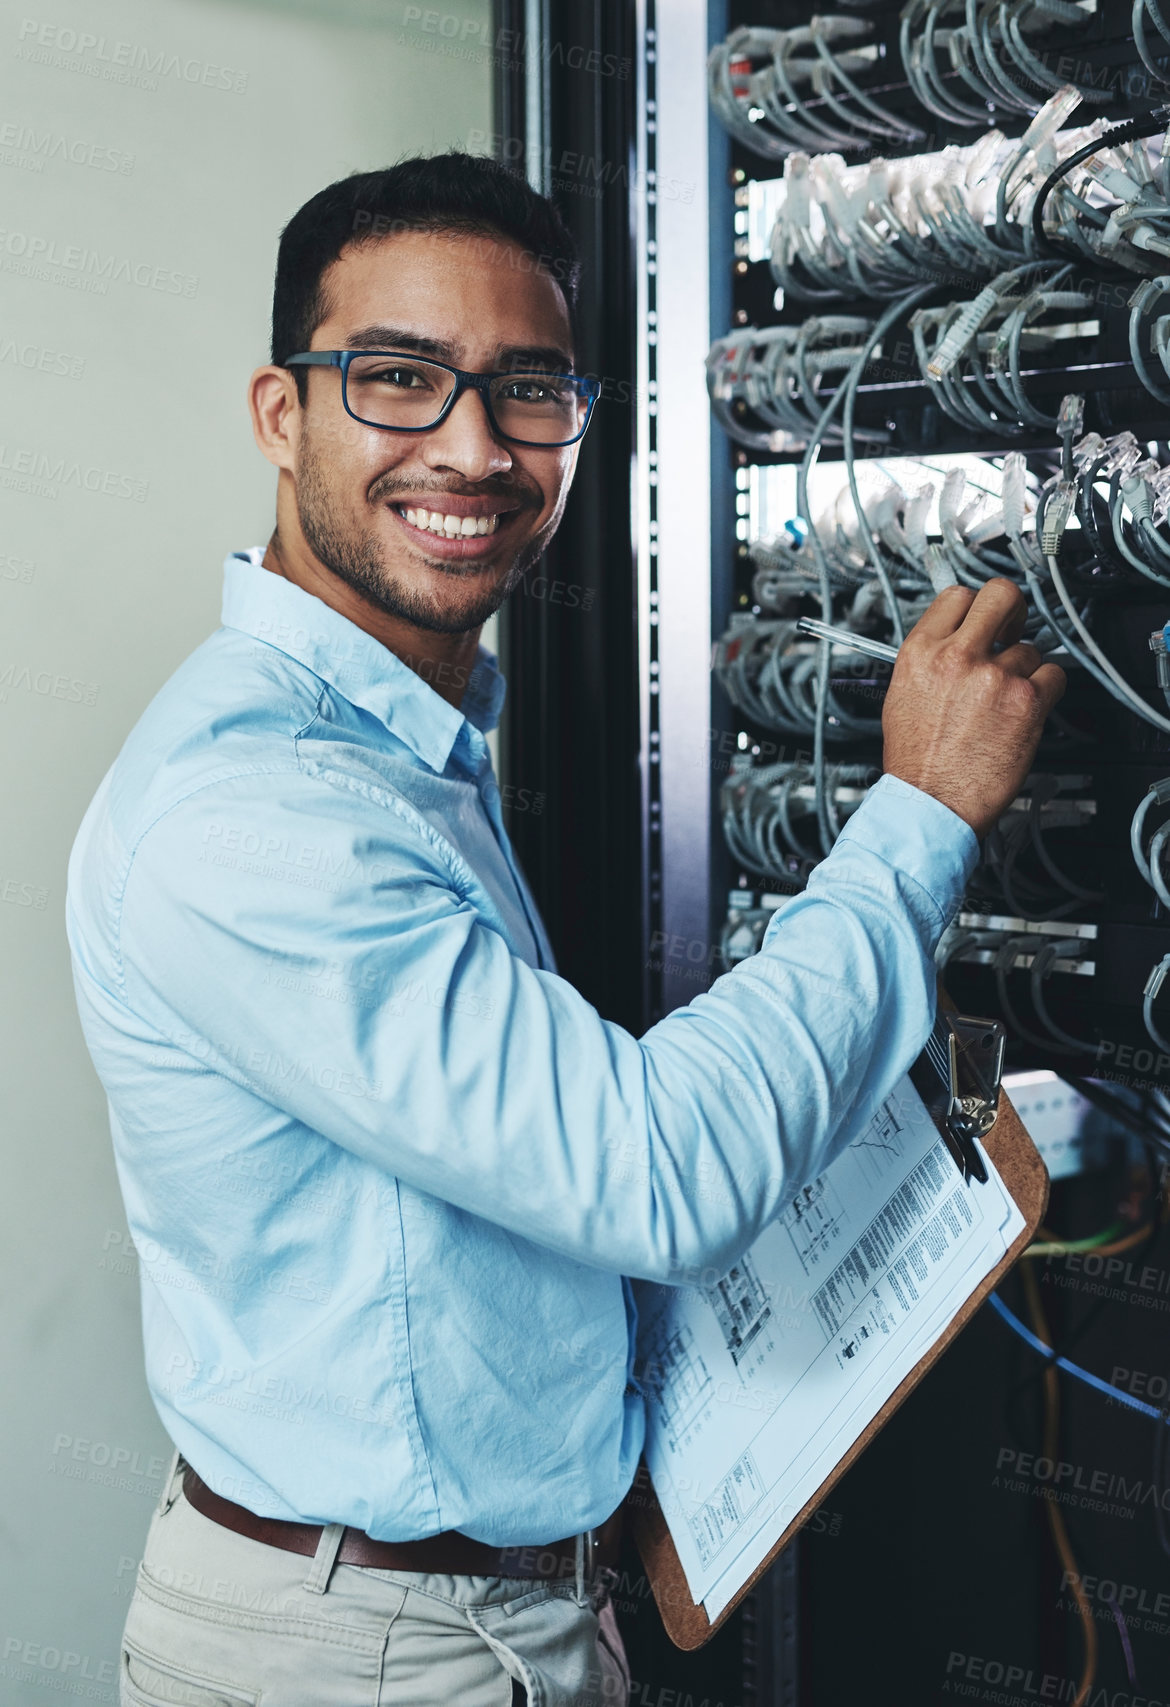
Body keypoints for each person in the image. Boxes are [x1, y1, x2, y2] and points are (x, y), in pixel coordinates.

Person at [64, 151, 1064, 1707]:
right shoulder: (255, 813)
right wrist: (917, 817)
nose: (471, 448)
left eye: (528, 390)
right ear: (281, 413)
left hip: (475, 1615)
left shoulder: (400, 748)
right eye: (398, 380)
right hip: (369, 1654)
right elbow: (655, 1172)